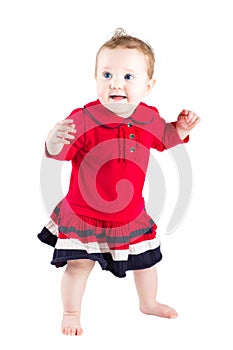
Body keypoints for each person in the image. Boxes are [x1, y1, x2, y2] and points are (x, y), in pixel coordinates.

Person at [38, 28, 200, 336]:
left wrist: (179, 128)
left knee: (146, 263)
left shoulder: (148, 117)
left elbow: (164, 139)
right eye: (107, 74)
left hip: (129, 214)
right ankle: (71, 312)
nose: (116, 82)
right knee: (78, 266)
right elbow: (57, 155)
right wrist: (54, 139)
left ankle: (148, 302)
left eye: (129, 77)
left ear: (148, 85)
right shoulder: (84, 118)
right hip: (84, 214)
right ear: (96, 78)